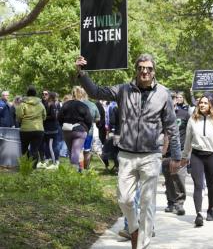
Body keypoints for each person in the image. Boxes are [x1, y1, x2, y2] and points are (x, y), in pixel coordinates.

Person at [76, 53, 181, 249]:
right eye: (141, 68)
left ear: (153, 71)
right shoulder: (123, 90)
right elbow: (96, 92)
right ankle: (134, 228)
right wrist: (82, 73)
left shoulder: (163, 94)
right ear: (136, 70)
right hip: (126, 154)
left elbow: (171, 127)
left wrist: (175, 156)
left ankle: (142, 244)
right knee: (124, 199)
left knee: (147, 202)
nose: (145, 71)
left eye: (148, 68)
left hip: (151, 155)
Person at [181, 93, 213, 227]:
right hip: (197, 155)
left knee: (211, 185)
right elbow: (188, 141)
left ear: (211, 105)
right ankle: (199, 214)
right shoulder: (192, 120)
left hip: (212, 156)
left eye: (205, 103)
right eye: (201, 102)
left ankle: (210, 209)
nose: (202, 105)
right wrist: (185, 156)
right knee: (198, 185)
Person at [162, 91, 189, 216]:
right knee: (168, 178)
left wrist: (188, 153)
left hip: (181, 150)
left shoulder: (184, 114)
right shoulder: (160, 114)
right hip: (165, 152)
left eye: (173, 98)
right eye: (169, 98)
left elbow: (190, 133)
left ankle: (179, 203)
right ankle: (171, 202)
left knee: (179, 177)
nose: (172, 100)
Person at [57, 86, 92, 172]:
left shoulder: (65, 105)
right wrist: (86, 129)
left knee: (71, 152)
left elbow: (59, 117)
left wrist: (64, 125)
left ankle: (78, 170)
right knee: (76, 152)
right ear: (81, 95)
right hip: (80, 131)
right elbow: (89, 120)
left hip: (67, 130)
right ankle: (74, 172)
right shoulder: (84, 106)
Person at [16, 86, 46, 168]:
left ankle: (26, 166)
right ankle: (33, 167)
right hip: (38, 130)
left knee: (24, 149)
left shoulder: (23, 104)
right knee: (35, 149)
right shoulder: (41, 104)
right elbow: (44, 116)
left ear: (27, 94)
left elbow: (18, 117)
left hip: (25, 130)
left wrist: (22, 120)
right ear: (35, 94)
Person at [43, 92, 61, 169]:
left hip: (52, 128)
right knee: (47, 144)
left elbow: (54, 117)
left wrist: (44, 117)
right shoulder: (48, 104)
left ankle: (56, 161)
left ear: (50, 96)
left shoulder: (53, 104)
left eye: (47, 95)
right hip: (47, 128)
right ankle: (47, 159)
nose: (45, 96)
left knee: (54, 145)